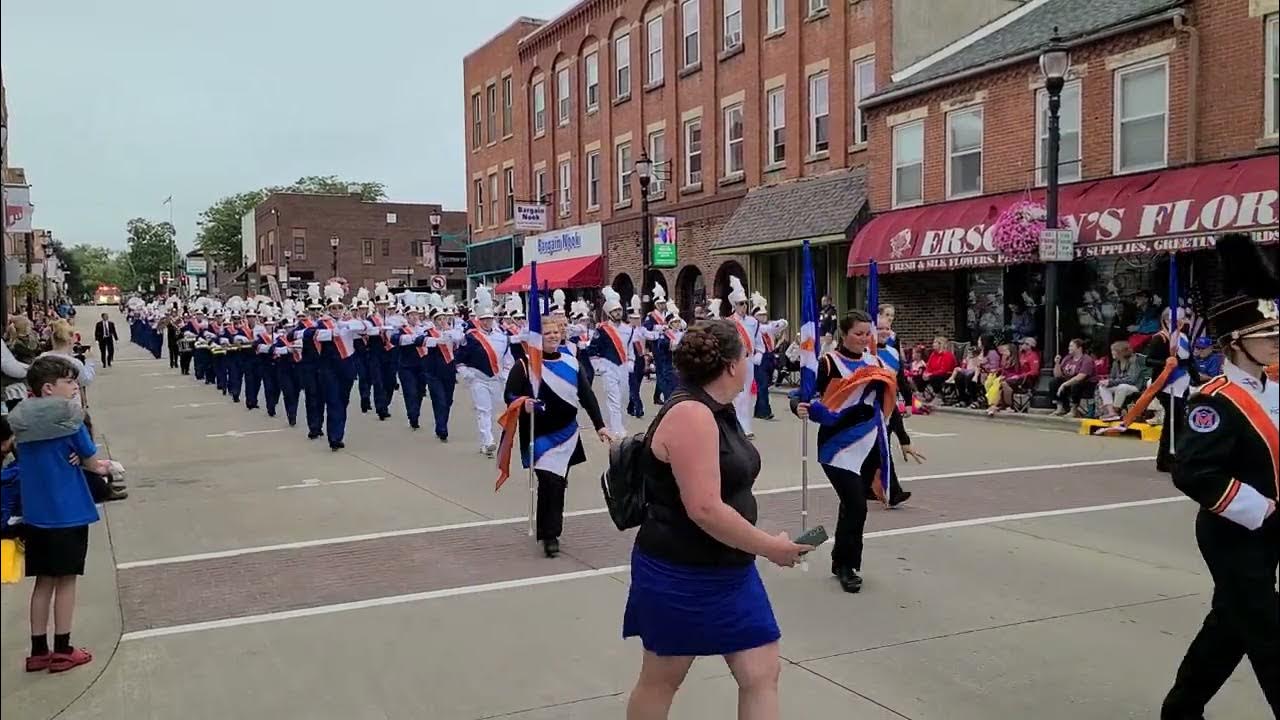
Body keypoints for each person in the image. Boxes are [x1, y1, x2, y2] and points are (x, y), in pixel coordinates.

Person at [623, 320, 812, 720]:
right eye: (746, 356)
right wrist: (771, 547)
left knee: (761, 671)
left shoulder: (718, 410)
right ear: (730, 365)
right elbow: (704, 508)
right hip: (680, 572)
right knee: (662, 679)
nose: (751, 362)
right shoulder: (691, 414)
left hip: (730, 570)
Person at [1161, 233, 1278, 719]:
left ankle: (1182, 709)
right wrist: (1260, 509)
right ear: (1235, 343)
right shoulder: (1213, 399)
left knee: (1229, 626)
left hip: (1270, 530)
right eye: (1266, 334)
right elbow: (1193, 471)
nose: (1275, 339)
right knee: (1268, 634)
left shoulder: (1273, 387)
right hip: (1234, 531)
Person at [793, 310, 922, 594]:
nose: (864, 339)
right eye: (858, 333)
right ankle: (847, 566)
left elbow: (886, 404)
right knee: (856, 505)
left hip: (867, 445)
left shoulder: (874, 362)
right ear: (844, 334)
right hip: (836, 447)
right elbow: (801, 394)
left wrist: (903, 439)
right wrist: (800, 407)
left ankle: (840, 559)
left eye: (868, 333)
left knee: (851, 506)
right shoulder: (828, 363)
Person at [10, 356, 114, 673]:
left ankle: (38, 649)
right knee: (66, 581)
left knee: (43, 582)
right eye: (69, 382)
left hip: (36, 511)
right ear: (49, 388)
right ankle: (64, 648)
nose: (74, 387)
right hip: (67, 510)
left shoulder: (21, 421)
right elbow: (92, 461)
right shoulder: (70, 420)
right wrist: (105, 466)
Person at [501, 316, 609, 557]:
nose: (552, 336)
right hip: (539, 435)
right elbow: (509, 395)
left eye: (555, 332)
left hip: (567, 434)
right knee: (549, 482)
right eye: (546, 333)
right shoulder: (525, 365)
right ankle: (549, 535)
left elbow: (587, 396)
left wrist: (600, 425)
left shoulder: (571, 362)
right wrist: (523, 402)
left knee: (558, 484)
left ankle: (551, 529)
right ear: (537, 337)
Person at [1096, 341, 1144, 421]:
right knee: (1103, 387)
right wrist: (1106, 382)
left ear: (1120, 351)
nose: (1112, 352)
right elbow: (1112, 377)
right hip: (1120, 386)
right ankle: (1111, 412)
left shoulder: (1134, 361)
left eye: (1113, 350)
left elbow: (1131, 380)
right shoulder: (1116, 363)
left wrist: (1112, 382)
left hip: (1134, 387)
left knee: (1122, 387)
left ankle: (1116, 410)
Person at [1049, 339, 1096, 417]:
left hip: (1086, 384)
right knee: (1054, 382)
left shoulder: (1086, 359)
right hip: (1069, 382)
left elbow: (1081, 376)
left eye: (1071, 346)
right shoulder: (1068, 358)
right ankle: (1060, 408)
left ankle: (1073, 410)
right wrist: (1057, 363)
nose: (1069, 348)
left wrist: (1064, 384)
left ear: (1079, 348)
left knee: (1076, 384)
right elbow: (1058, 375)